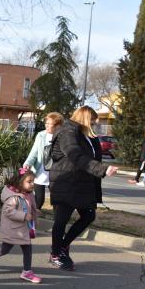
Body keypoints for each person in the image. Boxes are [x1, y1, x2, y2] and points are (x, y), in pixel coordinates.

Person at [48, 106, 118, 270]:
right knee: (61, 220)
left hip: (82, 184)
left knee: (89, 215)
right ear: (86, 118)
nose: (96, 123)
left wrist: (100, 171)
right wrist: (103, 169)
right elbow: (75, 155)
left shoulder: (89, 137)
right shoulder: (68, 131)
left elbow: (92, 158)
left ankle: (63, 247)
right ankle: (55, 254)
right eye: (93, 120)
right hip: (65, 182)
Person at [0, 168, 42, 283]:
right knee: (4, 249)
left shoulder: (28, 194)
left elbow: (32, 206)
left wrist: (35, 214)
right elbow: (8, 212)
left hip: (22, 229)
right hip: (13, 229)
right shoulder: (13, 197)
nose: (32, 184)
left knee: (27, 249)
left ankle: (27, 272)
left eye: (33, 182)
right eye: (29, 181)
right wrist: (24, 216)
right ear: (20, 181)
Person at [23, 112, 64, 210]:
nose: (48, 126)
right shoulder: (41, 135)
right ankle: (32, 221)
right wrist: (28, 163)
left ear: (58, 126)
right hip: (40, 173)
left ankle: (57, 222)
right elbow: (34, 152)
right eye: (47, 123)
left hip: (55, 174)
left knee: (57, 201)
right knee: (38, 201)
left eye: (51, 124)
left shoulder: (63, 136)